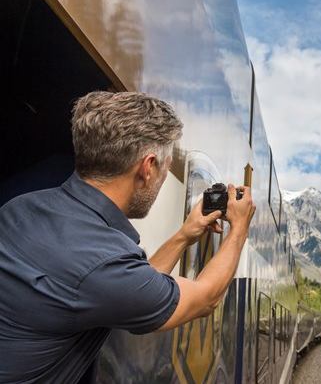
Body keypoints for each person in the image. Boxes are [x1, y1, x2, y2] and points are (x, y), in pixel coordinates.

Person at [0, 91, 255, 383]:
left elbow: (135, 284)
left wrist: (184, 235)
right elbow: (205, 299)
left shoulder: (21, 207)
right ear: (147, 168)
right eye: (165, 166)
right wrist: (239, 227)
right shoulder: (103, 264)